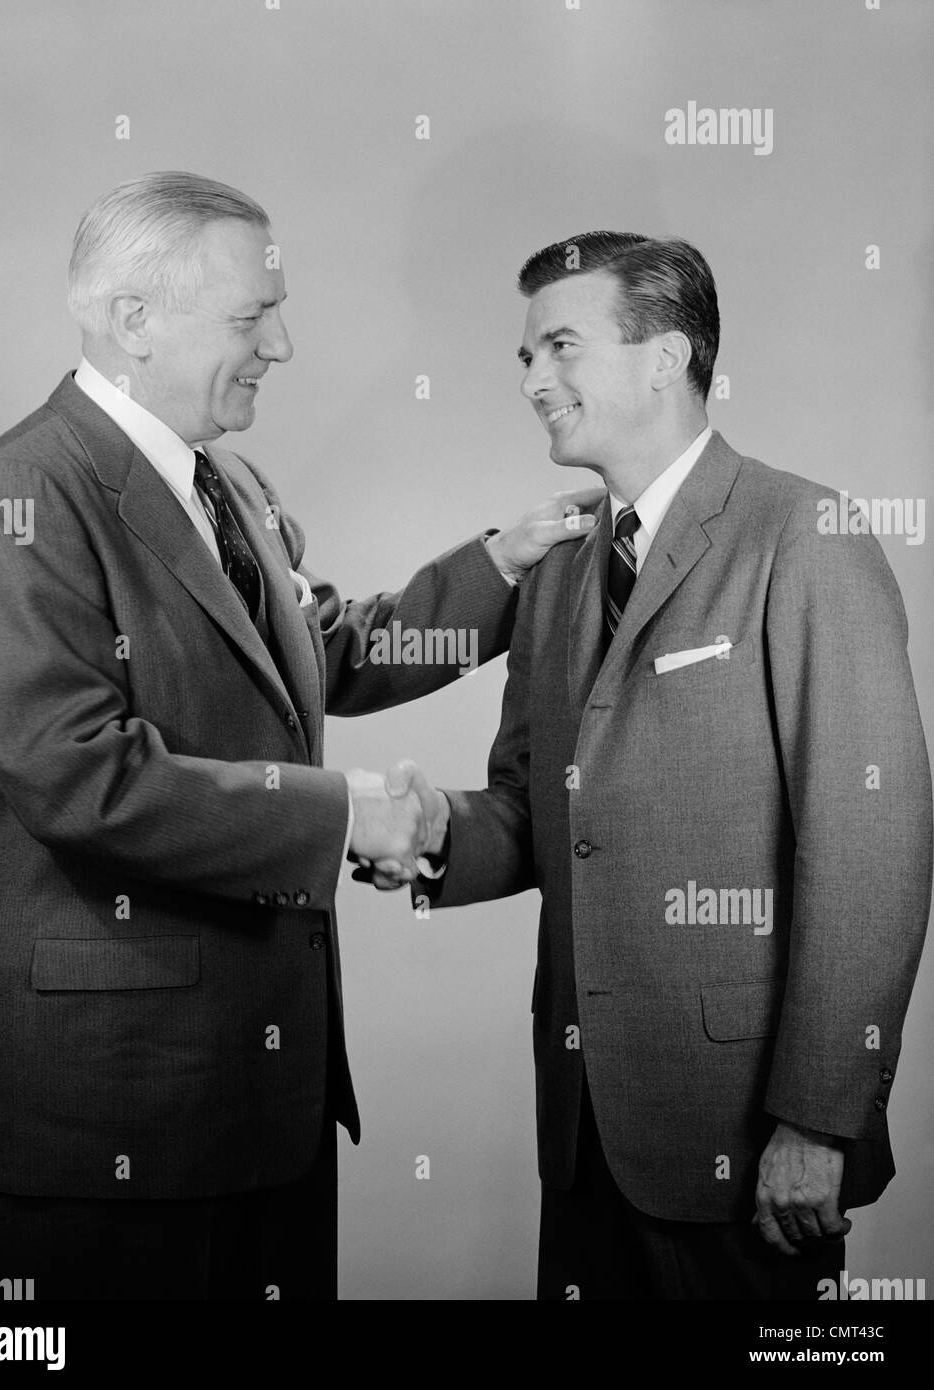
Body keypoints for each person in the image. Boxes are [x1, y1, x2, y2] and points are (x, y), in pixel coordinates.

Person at [0, 172, 596, 1301]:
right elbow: (77, 777)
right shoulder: (17, 493)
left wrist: (502, 565)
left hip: (262, 1094)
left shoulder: (229, 482)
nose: (282, 344)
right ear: (132, 320)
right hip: (112, 1114)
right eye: (252, 317)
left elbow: (324, 654)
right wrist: (342, 815)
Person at [367, 230, 933, 1299]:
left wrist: (818, 1118)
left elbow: (876, 847)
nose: (533, 378)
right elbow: (538, 813)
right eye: (526, 356)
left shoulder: (803, 535)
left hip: (749, 1135)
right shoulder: (559, 565)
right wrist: (438, 832)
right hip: (582, 1130)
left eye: (559, 346)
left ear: (667, 357)